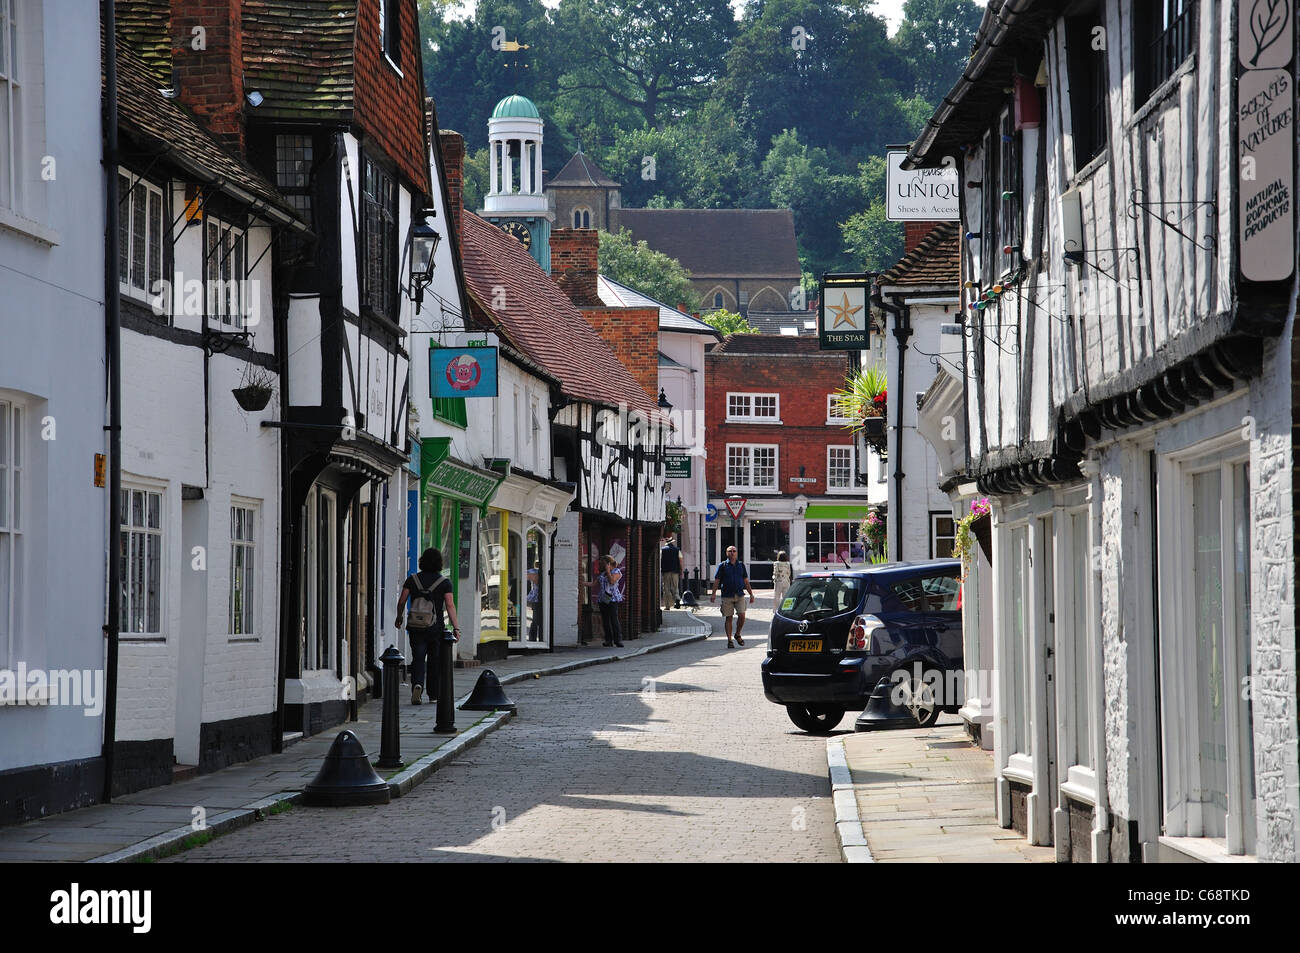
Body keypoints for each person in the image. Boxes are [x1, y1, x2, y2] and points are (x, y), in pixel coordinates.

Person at [394, 548, 460, 705]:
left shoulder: (412, 579)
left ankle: (417, 685)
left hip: (416, 626)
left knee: (417, 658)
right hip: (435, 628)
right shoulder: (444, 583)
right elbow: (450, 605)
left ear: (422, 561)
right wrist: (456, 628)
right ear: (439, 563)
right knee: (434, 661)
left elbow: (402, 600)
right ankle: (433, 695)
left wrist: (399, 617)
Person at [710, 545, 754, 648]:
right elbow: (717, 581)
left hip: (739, 594)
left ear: (737, 553)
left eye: (734, 551)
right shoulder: (723, 565)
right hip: (727, 595)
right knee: (728, 618)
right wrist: (713, 594)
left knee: (742, 615)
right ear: (726, 553)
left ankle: (737, 634)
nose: (732, 553)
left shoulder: (741, 565)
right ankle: (729, 640)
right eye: (730, 551)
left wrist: (751, 594)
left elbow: (746, 581)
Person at [587, 555, 624, 647]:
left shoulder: (616, 571)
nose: (602, 566)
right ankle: (608, 640)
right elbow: (593, 584)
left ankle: (618, 640)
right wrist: (581, 582)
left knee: (614, 619)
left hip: (612, 599)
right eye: (601, 564)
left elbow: (612, 581)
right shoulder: (602, 574)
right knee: (605, 620)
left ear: (609, 563)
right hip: (603, 599)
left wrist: (608, 571)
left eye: (603, 564)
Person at [661, 535, 682, 611]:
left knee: (666, 588)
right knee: (675, 587)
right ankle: (677, 598)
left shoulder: (662, 550)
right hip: (675, 571)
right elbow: (680, 560)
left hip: (666, 571)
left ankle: (667, 606)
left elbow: (660, 560)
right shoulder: (677, 550)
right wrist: (681, 570)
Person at [526, 568, 541, 641]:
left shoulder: (537, 582)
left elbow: (534, 594)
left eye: (528, 575)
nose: (527, 577)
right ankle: (532, 638)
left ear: (534, 575)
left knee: (535, 622)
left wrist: (527, 599)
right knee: (535, 622)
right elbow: (532, 592)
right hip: (535, 604)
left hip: (537, 604)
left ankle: (532, 638)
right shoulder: (533, 582)